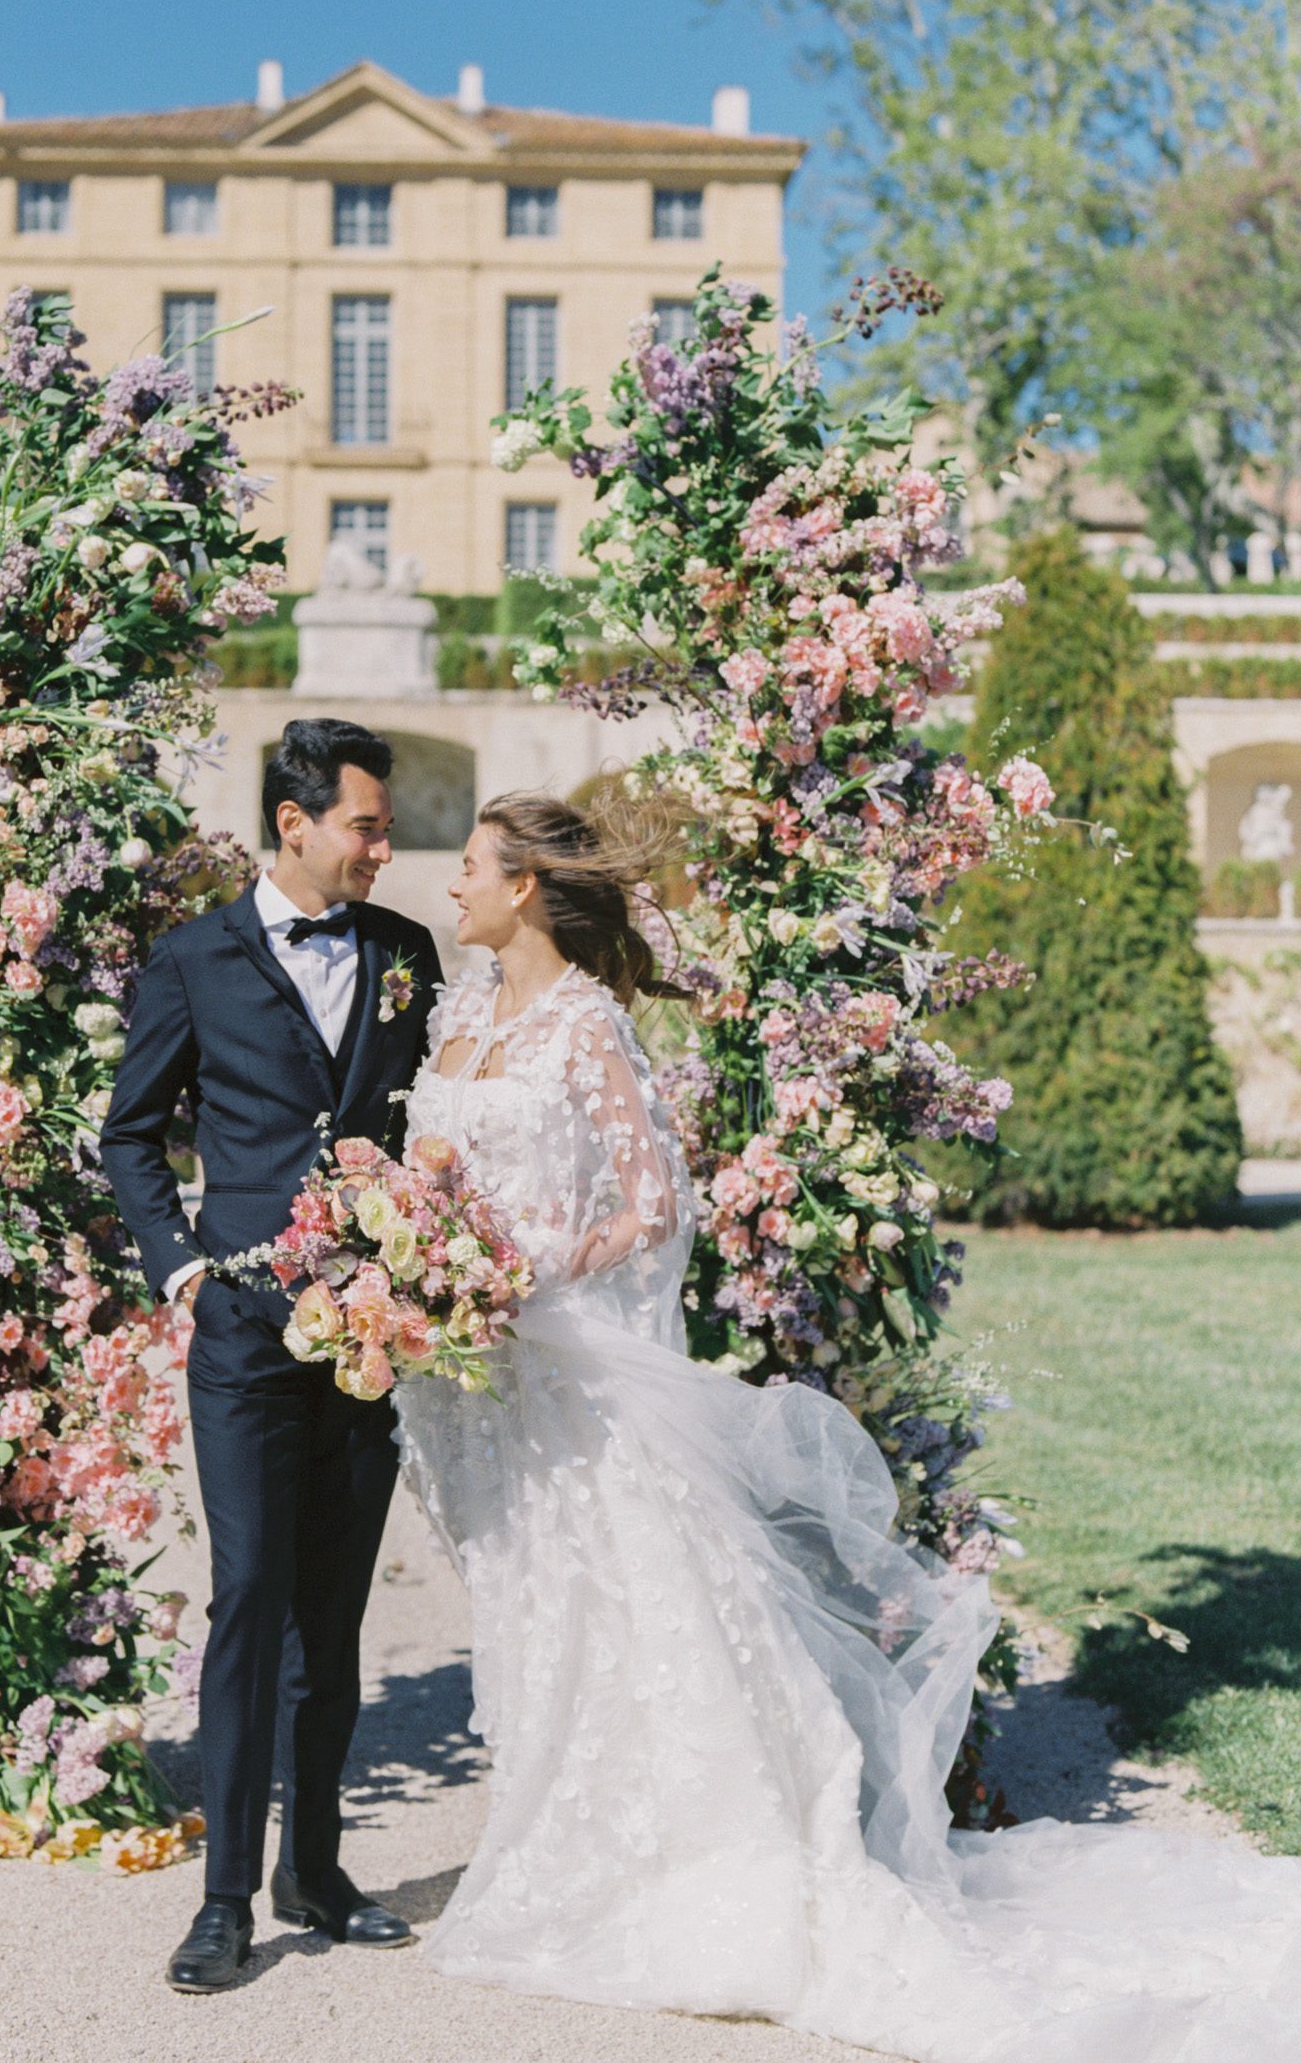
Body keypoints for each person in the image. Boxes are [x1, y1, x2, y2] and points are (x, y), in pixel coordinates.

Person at [395, 788, 1301, 2061]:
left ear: (527, 887)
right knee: (537, 1607)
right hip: (481, 1384)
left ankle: (693, 1871)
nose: (455, 885)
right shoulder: (455, 1013)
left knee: (623, 1605)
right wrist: (416, 1265)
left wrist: (523, 1277)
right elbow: (428, 1177)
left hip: (567, 1369)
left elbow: (655, 1207)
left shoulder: (587, 1026)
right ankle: (558, 1842)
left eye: (475, 867)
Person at [101, 717, 443, 1993]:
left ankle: (320, 1869)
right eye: (365, 823)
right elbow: (131, 1134)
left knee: (335, 1617)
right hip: (244, 1332)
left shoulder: (408, 954)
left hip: (373, 1334)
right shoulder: (191, 959)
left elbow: (430, 1113)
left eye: (383, 822)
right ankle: (226, 1898)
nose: (383, 844)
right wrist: (180, 1262)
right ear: (293, 824)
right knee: (249, 1600)